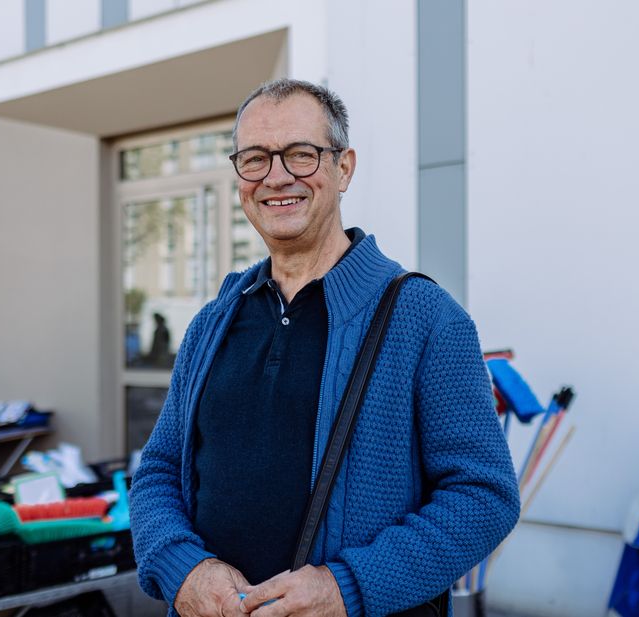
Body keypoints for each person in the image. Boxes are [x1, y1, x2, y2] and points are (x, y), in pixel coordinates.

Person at [130, 78, 520, 617]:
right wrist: (184, 571)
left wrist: (346, 588)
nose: (277, 176)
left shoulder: (427, 319)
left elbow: (484, 498)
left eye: (300, 154)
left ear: (344, 168)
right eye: (255, 159)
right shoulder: (211, 324)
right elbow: (158, 471)